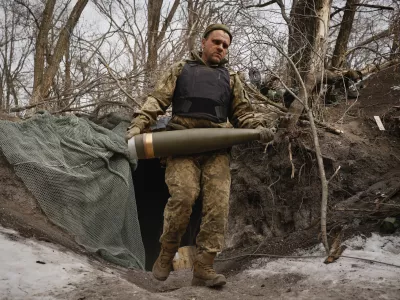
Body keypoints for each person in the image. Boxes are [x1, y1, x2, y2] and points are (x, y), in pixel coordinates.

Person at [126, 24, 276, 287]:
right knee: (183, 197)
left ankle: (204, 267)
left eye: (225, 45)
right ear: (204, 42)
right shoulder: (181, 70)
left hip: (216, 149)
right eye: (216, 42)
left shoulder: (231, 78)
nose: (221, 48)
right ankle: (166, 253)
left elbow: (243, 113)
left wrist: (258, 128)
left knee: (218, 207)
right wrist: (139, 124)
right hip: (181, 145)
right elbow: (157, 99)